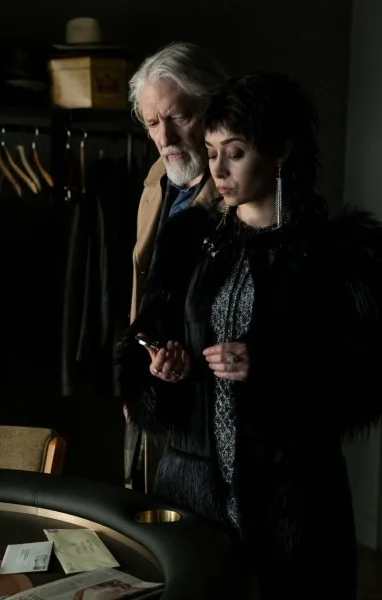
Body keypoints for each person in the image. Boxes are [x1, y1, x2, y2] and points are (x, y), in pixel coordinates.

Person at [115, 72, 382, 598]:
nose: (218, 170)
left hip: (293, 496)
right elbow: (142, 346)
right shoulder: (186, 241)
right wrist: (163, 366)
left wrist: (273, 365)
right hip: (191, 487)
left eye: (236, 152)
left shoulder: (344, 255)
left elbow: (370, 380)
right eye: (211, 152)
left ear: (280, 151)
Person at [123, 41, 227, 493]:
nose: (164, 138)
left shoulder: (241, 200)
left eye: (178, 117)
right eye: (152, 123)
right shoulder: (157, 184)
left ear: (213, 110)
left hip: (213, 424)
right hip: (155, 394)